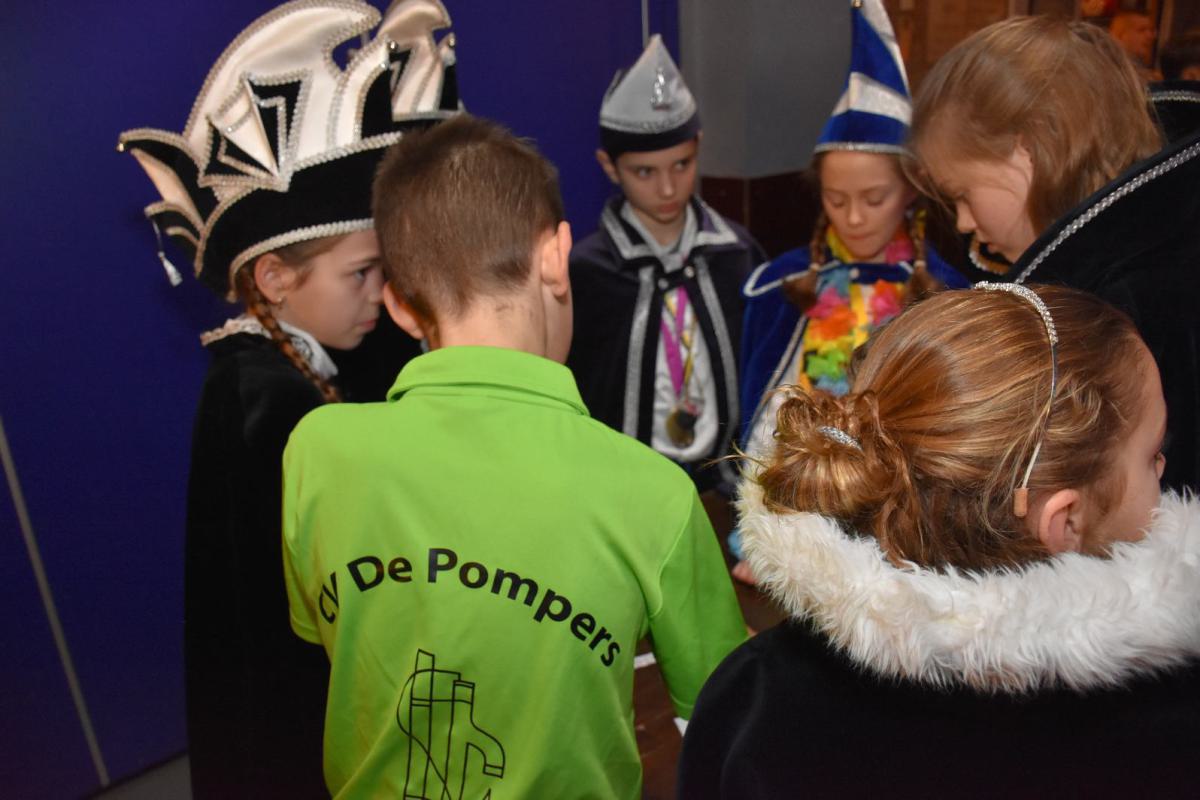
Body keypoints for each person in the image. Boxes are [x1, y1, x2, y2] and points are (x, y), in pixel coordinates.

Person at [280, 114, 747, 798]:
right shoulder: (654, 493)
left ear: (400, 306)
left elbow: (335, 636)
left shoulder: (315, 451)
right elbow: (723, 713)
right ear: (556, 257)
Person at [118, 1, 460, 795]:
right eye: (361, 274)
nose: (381, 295)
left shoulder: (288, 360)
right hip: (291, 720)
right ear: (273, 278)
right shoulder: (265, 407)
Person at [678, 285, 1200, 798]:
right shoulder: (1169, 738)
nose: (1163, 467)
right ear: (1064, 521)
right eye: (1151, 453)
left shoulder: (752, 701)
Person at [910, 15, 1200, 492]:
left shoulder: (1136, 309)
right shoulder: (1135, 260)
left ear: (1028, 152)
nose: (962, 222)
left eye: (962, 194)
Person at [733, 0, 966, 583]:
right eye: (836, 200)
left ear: (911, 191)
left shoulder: (947, 294)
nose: (855, 218)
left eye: (874, 199)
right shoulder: (781, 286)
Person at [568, 35, 766, 493]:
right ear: (609, 166)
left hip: (724, 486)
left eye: (682, 164)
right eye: (645, 172)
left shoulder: (736, 254)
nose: (667, 188)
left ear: (698, 146)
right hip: (624, 488)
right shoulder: (587, 272)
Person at [1110, 10, 1162, 81]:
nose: (1150, 36)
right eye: (1141, 30)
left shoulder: (1147, 74)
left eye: (1151, 31)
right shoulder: (1106, 69)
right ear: (1120, 35)